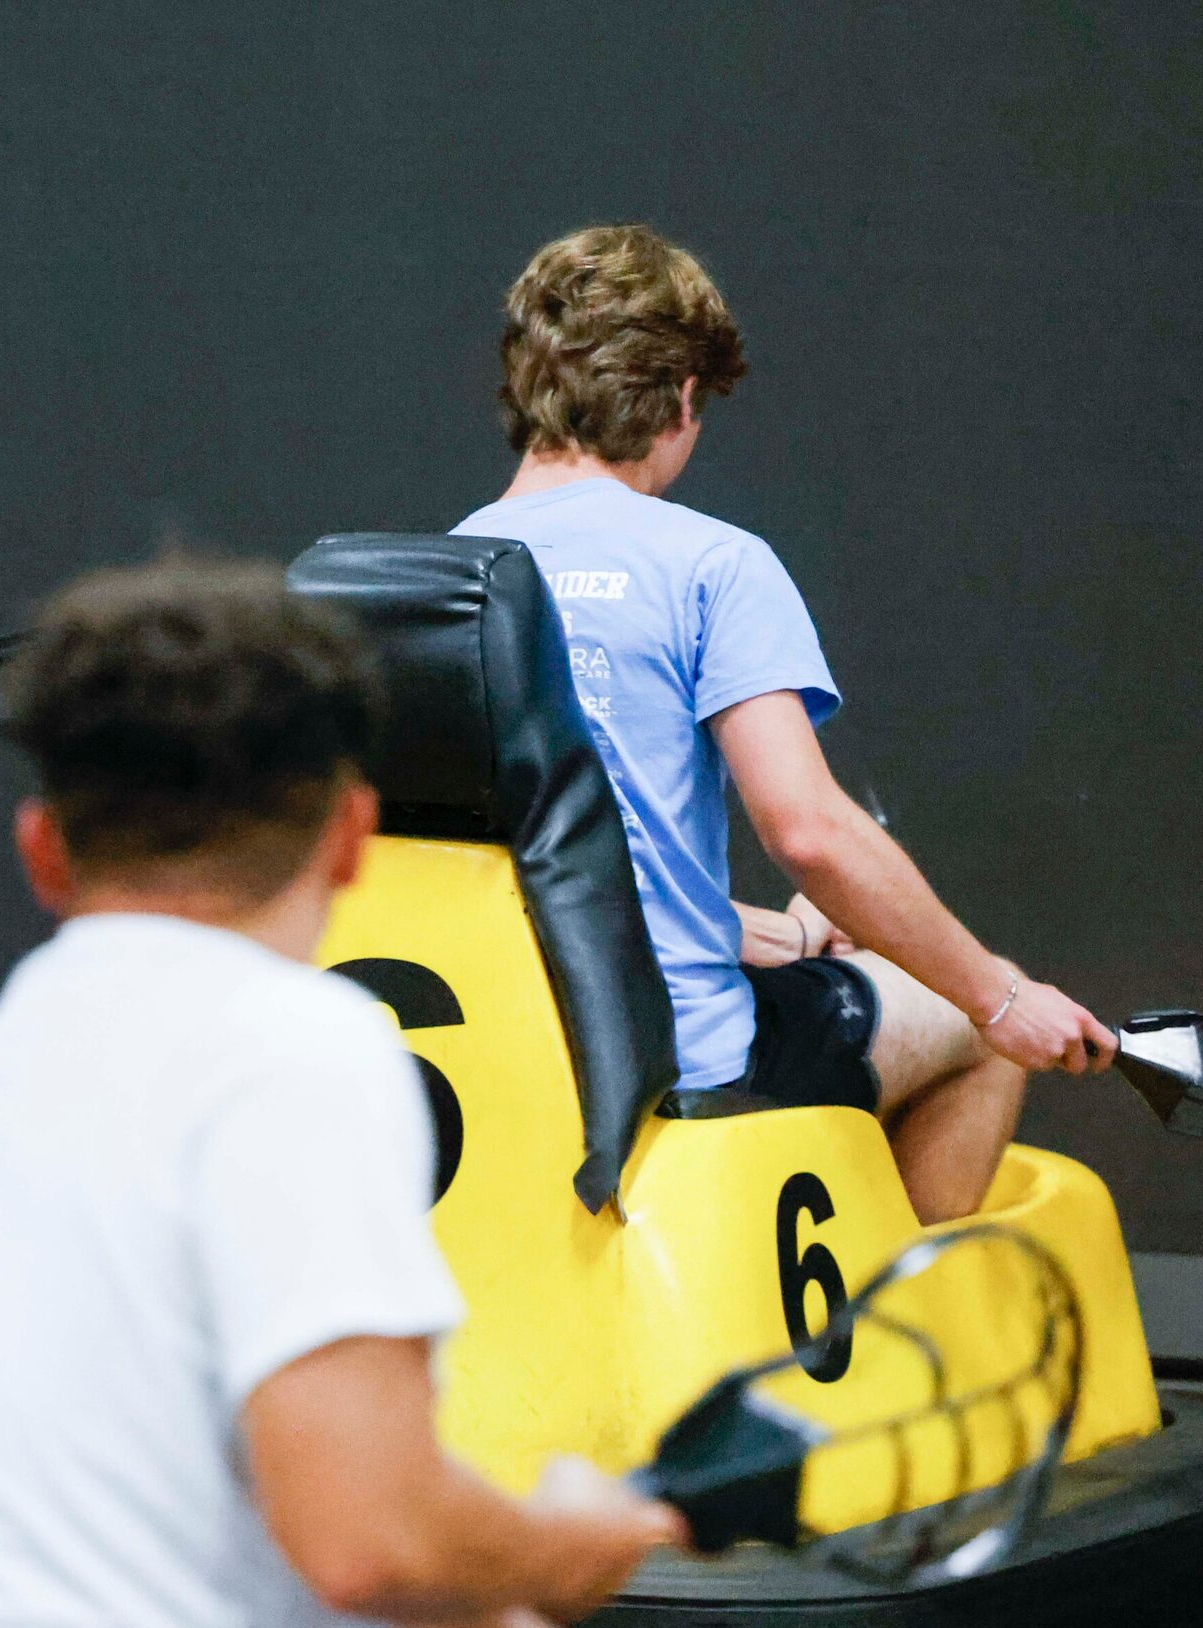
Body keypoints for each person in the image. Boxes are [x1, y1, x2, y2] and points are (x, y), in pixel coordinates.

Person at [0, 557, 942, 1628]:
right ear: (352, 834)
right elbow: (377, 1548)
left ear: (43, 849)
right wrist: (578, 1534)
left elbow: (339, 1580)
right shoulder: (295, 1048)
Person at [455, 223, 1111, 1224]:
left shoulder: (439, 574)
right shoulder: (712, 565)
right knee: (972, 1031)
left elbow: (519, 846)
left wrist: (714, 924)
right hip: (680, 1050)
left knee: (808, 952)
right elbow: (808, 833)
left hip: (498, 1043)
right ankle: (890, 1361)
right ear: (678, 398)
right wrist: (999, 997)